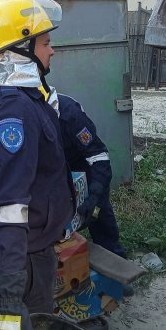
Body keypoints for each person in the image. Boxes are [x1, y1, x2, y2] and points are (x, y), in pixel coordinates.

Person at [0, 0, 75, 330]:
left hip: (13, 252)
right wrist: (9, 296)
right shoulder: (12, 110)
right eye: (44, 43)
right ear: (19, 49)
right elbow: (7, 207)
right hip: (19, 260)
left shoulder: (2, 99)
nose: (51, 50)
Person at [56, 93, 127, 260]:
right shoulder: (22, 114)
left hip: (83, 167)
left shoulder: (69, 113)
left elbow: (98, 155)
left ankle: (116, 265)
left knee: (98, 213)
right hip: (54, 171)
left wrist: (95, 194)